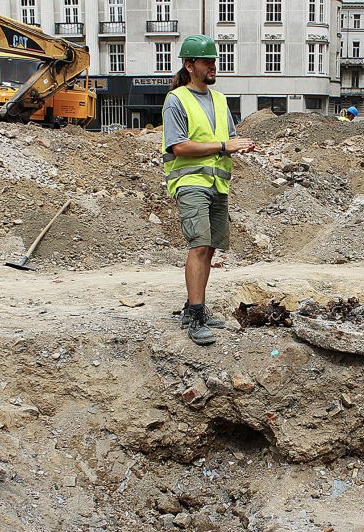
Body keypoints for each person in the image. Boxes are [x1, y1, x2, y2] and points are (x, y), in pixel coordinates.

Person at [162, 35, 256, 345]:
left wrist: (238, 146)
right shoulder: (177, 100)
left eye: (214, 60)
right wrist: (223, 145)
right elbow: (178, 146)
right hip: (190, 182)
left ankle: (193, 308)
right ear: (189, 66)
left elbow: (228, 138)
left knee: (212, 247)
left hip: (217, 183)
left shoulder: (219, 100)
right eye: (206, 62)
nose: (213, 66)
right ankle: (197, 316)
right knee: (199, 245)